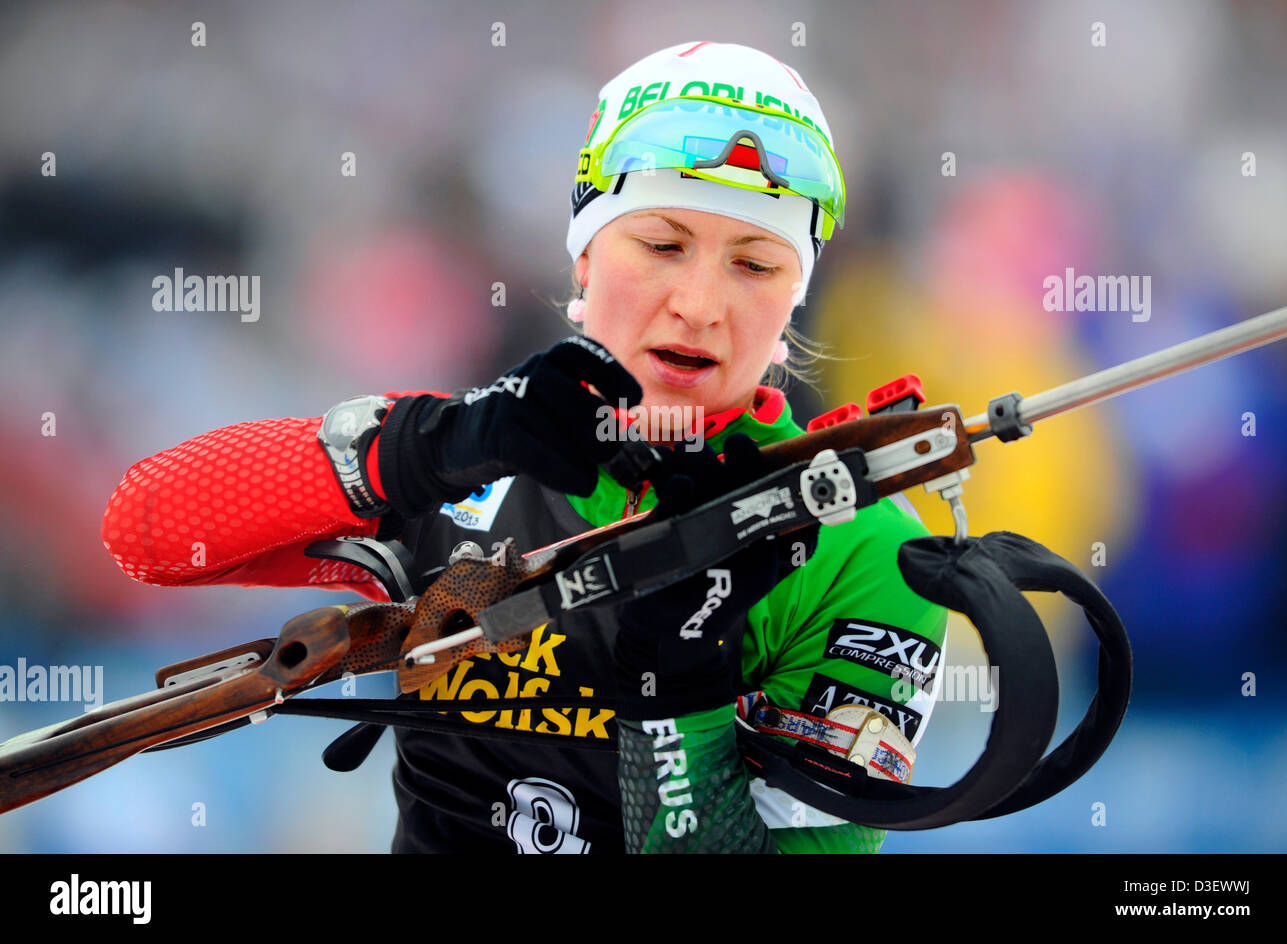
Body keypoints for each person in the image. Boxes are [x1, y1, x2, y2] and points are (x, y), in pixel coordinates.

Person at [101, 40, 948, 853]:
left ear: (793, 298)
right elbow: (143, 533)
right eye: (660, 245)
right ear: (585, 258)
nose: (700, 303)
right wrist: (433, 444)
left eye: (756, 265)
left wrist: (677, 695)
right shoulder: (467, 451)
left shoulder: (861, 546)